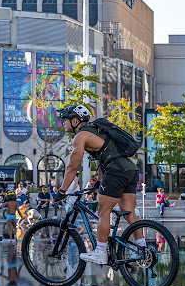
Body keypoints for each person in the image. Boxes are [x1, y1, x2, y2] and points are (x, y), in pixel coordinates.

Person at [56, 104, 144, 265]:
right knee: (130, 213)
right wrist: (98, 181)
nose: (64, 123)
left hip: (116, 172)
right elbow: (103, 157)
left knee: (103, 211)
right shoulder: (97, 130)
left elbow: (72, 166)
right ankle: (143, 250)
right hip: (130, 170)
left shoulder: (81, 136)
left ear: (75, 120)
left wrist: (62, 191)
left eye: (66, 120)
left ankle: (101, 252)